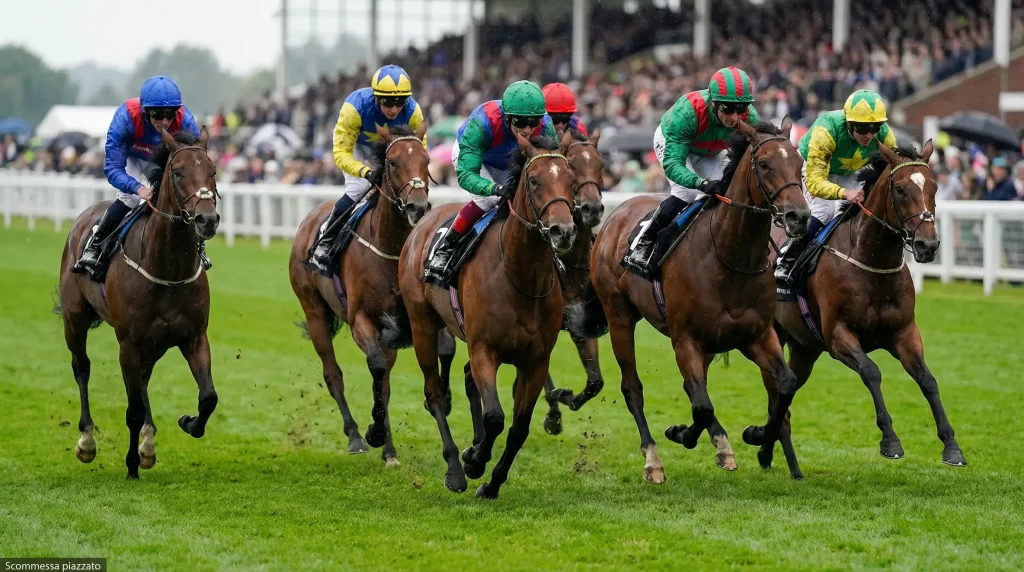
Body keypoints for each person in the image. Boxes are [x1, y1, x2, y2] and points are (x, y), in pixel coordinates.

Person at [623, 67, 760, 276]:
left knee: (731, 192)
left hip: (712, 150)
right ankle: (643, 241)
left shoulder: (749, 117)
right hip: (675, 145)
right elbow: (674, 165)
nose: (734, 117)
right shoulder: (688, 112)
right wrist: (701, 183)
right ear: (713, 102)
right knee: (687, 193)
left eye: (740, 109)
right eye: (728, 109)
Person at [424, 80, 556, 283]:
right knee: (488, 201)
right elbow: (467, 175)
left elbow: (552, 166)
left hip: (510, 160)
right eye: (520, 122)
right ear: (507, 116)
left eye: (533, 122)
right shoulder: (483, 122)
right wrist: (494, 187)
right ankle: (446, 247)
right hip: (478, 158)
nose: (528, 129)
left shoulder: (545, 124)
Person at [72, 76, 202, 280]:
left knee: (179, 199)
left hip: (160, 158)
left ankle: (198, 248)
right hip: (131, 156)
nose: (165, 122)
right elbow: (113, 168)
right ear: (145, 111)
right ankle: (94, 246)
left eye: (170, 114)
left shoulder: (185, 120)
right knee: (131, 199)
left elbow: (194, 162)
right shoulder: (125, 117)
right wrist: (137, 187)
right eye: (158, 115)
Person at [304, 64, 426, 276]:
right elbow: (341, 153)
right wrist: (365, 172)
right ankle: (325, 241)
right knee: (357, 189)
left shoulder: (413, 111)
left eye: (400, 101)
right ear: (376, 97)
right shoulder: (355, 107)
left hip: (393, 153)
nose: (394, 109)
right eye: (388, 102)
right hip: (358, 149)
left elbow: (418, 150)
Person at [775, 89, 898, 287]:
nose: (869, 135)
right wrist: (844, 193)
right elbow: (815, 182)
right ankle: (786, 261)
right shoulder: (827, 130)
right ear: (849, 123)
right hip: (814, 169)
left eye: (874, 128)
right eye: (862, 128)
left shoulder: (884, 134)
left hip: (851, 172)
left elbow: (896, 166)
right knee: (825, 212)